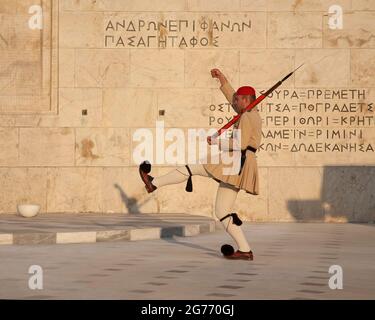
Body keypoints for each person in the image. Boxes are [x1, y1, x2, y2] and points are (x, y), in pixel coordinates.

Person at [139, 68, 262, 260]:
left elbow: (241, 143)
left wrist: (217, 141)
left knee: (193, 167)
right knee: (222, 211)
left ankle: (154, 183)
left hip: (238, 160)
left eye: (238, 100)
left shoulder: (247, 116)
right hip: (240, 163)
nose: (234, 102)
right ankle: (245, 250)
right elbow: (233, 98)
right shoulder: (250, 112)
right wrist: (223, 80)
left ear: (246, 100)